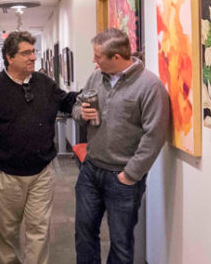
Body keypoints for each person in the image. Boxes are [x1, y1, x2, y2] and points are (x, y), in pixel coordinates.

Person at [72, 28, 171, 264]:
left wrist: (130, 175)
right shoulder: (97, 77)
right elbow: (77, 106)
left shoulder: (149, 86)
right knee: (84, 236)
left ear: (116, 57)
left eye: (98, 57)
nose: (94, 61)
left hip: (122, 177)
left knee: (121, 244)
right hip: (90, 170)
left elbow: (154, 135)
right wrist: (81, 113)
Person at [0, 31, 78, 264]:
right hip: (5, 173)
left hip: (42, 172)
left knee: (39, 230)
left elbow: (64, 100)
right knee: (7, 232)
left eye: (33, 52)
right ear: (9, 57)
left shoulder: (44, 82)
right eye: (26, 53)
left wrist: (86, 97)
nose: (33, 58)